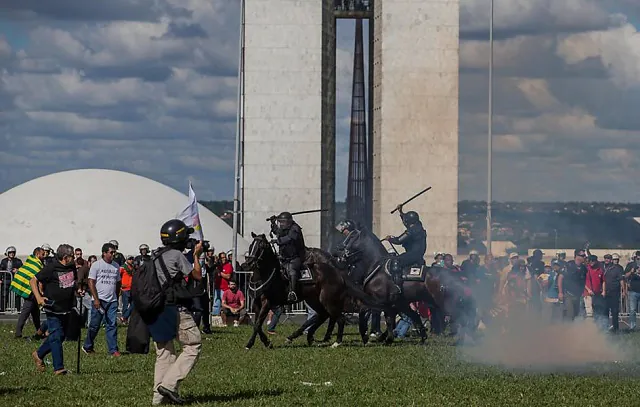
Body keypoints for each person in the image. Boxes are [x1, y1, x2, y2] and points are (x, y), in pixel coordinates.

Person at [148, 219, 203, 406]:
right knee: (193, 345)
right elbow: (196, 275)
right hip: (175, 308)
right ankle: (169, 385)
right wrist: (196, 255)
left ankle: (158, 399)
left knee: (164, 353)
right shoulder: (177, 255)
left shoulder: (155, 255)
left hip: (156, 309)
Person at [29, 244, 82, 375]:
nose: (74, 258)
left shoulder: (71, 266)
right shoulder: (51, 267)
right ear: (65, 257)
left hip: (67, 307)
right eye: (72, 256)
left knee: (61, 336)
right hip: (52, 307)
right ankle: (59, 368)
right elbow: (33, 281)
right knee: (56, 336)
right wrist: (39, 298)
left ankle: (38, 354)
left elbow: (72, 282)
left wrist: (77, 289)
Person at [83, 242, 122, 356]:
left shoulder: (116, 266)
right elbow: (91, 282)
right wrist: (95, 299)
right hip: (99, 300)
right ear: (104, 253)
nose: (113, 254)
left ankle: (113, 350)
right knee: (95, 325)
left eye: (114, 252)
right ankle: (87, 346)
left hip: (112, 300)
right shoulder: (97, 265)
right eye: (111, 252)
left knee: (112, 324)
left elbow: (118, 282)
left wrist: (116, 294)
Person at [382, 205, 427, 288]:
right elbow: (407, 223)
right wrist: (401, 212)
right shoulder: (419, 226)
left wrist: (390, 239)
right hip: (418, 254)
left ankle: (397, 285)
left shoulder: (412, 231)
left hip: (413, 254)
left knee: (395, 261)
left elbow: (399, 240)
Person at [269, 212, 306, 302]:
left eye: (283, 222)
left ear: (288, 222)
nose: (281, 224)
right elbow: (277, 232)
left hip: (295, 257)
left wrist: (277, 241)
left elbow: (289, 238)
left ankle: (293, 292)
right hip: (283, 257)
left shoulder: (295, 228)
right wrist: (273, 223)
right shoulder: (285, 229)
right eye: (280, 222)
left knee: (292, 270)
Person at [11, 247, 46, 338]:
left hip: (32, 291)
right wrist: (41, 292)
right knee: (25, 313)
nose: (44, 255)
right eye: (43, 254)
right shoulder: (35, 264)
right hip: (30, 291)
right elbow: (38, 279)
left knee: (35, 313)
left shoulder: (33, 262)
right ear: (37, 254)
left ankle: (39, 331)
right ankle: (18, 333)